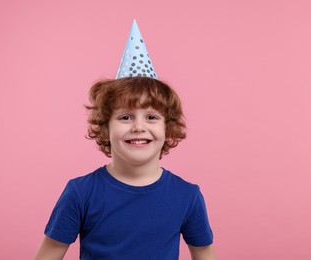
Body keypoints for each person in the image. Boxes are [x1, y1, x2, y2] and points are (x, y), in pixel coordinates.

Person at [35, 20, 215, 259]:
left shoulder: (187, 196)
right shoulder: (80, 192)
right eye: (126, 117)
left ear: (168, 128)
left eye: (151, 117)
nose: (139, 127)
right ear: (105, 128)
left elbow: (204, 253)